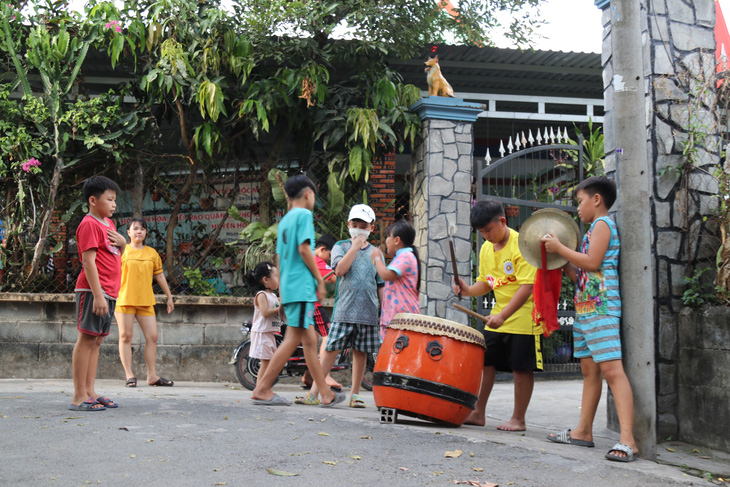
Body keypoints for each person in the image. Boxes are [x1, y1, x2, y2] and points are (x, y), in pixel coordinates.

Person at [541, 176, 639, 462]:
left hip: (602, 308)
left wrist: (560, 249)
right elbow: (582, 273)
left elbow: (593, 263)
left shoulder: (603, 225)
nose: (579, 209)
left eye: (580, 202)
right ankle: (583, 432)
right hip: (586, 308)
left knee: (612, 371)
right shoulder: (589, 232)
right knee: (589, 373)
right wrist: (558, 261)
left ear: (597, 199)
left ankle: (628, 440)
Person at [250, 174, 345, 407]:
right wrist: (319, 280)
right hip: (301, 288)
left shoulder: (284, 222)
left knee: (310, 340)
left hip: (291, 288)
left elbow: (280, 259)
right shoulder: (303, 215)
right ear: (308, 194)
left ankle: (324, 393)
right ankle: (262, 389)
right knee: (293, 339)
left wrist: (283, 291)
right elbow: (304, 249)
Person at [452, 199, 540, 431]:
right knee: (485, 361)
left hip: (524, 318)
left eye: (488, 230)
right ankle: (478, 412)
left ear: (503, 221)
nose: (485, 236)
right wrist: (468, 290)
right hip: (497, 318)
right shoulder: (485, 249)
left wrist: (503, 316)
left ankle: (518, 419)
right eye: (481, 232)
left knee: (521, 368)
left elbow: (527, 287)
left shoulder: (522, 244)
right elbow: (486, 283)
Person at [302, 204, 383, 409]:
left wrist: (383, 310)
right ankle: (315, 392)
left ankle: (355, 393)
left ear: (371, 228)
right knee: (330, 349)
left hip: (368, 312)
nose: (358, 228)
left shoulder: (376, 253)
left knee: (360, 352)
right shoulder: (340, 246)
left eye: (363, 225)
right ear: (348, 224)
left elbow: (380, 283)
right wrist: (354, 248)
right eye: (354, 224)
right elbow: (339, 271)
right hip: (344, 310)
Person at [69, 175, 126, 411]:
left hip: (108, 292)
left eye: (115, 200)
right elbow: (88, 262)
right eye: (110, 199)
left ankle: (90, 391)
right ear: (93, 200)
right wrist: (99, 294)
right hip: (94, 291)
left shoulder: (108, 224)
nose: (114, 205)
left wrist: (123, 244)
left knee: (97, 341)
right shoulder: (90, 224)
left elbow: (114, 257)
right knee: (86, 339)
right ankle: (79, 396)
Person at [114, 217, 175, 388]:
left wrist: (169, 297)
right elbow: (111, 274)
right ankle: (129, 375)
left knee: (152, 337)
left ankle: (152, 376)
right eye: (135, 228)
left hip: (146, 300)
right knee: (125, 337)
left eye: (142, 228)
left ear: (146, 232)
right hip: (124, 299)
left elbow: (160, 275)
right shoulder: (121, 251)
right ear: (128, 233)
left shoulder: (152, 253)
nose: (139, 231)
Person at [301, 234, 343, 391]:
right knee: (329, 335)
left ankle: (309, 376)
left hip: (305, 303)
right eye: (330, 256)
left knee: (313, 340)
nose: (329, 259)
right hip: (313, 304)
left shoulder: (309, 258)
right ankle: (324, 375)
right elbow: (333, 278)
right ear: (323, 249)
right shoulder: (317, 260)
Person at [370, 220, 420, 339]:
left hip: (402, 320)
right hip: (397, 319)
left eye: (388, 236)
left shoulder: (406, 256)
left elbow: (386, 275)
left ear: (397, 240)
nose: (386, 240)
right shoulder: (404, 256)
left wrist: (377, 258)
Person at [245, 261, 282, 385]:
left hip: (269, 333)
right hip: (262, 333)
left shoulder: (272, 295)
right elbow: (265, 312)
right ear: (266, 280)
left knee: (270, 362)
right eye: (276, 276)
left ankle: (262, 388)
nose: (278, 279)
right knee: (265, 363)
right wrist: (280, 309)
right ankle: (260, 389)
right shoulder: (261, 295)